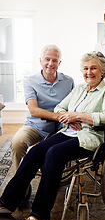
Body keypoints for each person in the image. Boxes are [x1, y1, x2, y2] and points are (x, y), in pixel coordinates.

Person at [0, 51, 105, 220]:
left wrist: (77, 116)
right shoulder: (79, 88)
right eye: (85, 68)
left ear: (102, 71)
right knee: (36, 151)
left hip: (90, 136)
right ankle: (7, 202)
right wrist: (67, 116)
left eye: (93, 68)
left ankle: (40, 216)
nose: (89, 72)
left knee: (54, 153)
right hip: (68, 131)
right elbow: (59, 107)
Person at [11, 44, 74, 174]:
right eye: (47, 59)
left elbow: (74, 106)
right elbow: (34, 111)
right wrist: (60, 116)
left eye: (54, 60)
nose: (50, 63)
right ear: (40, 61)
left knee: (51, 155)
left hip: (61, 129)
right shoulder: (30, 81)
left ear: (59, 63)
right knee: (18, 143)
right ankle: (21, 182)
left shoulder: (68, 81)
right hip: (35, 127)